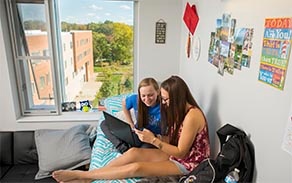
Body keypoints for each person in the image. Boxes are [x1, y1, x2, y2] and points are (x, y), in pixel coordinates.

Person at [52, 75, 210, 183]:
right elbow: (175, 140)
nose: (165, 103)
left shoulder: (192, 116)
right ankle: (91, 176)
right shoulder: (179, 111)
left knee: (137, 167)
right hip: (177, 154)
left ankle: (85, 176)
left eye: (166, 99)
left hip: (189, 163)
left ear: (178, 97)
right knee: (134, 152)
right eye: (163, 99)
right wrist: (155, 137)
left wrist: (154, 140)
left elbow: (181, 152)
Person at [100, 77, 161, 153]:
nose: (147, 99)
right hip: (135, 133)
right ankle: (121, 147)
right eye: (143, 96)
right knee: (104, 123)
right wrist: (130, 123)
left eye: (150, 95)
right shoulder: (135, 99)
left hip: (149, 140)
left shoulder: (163, 107)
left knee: (142, 152)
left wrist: (155, 138)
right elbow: (124, 104)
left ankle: (131, 149)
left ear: (158, 92)